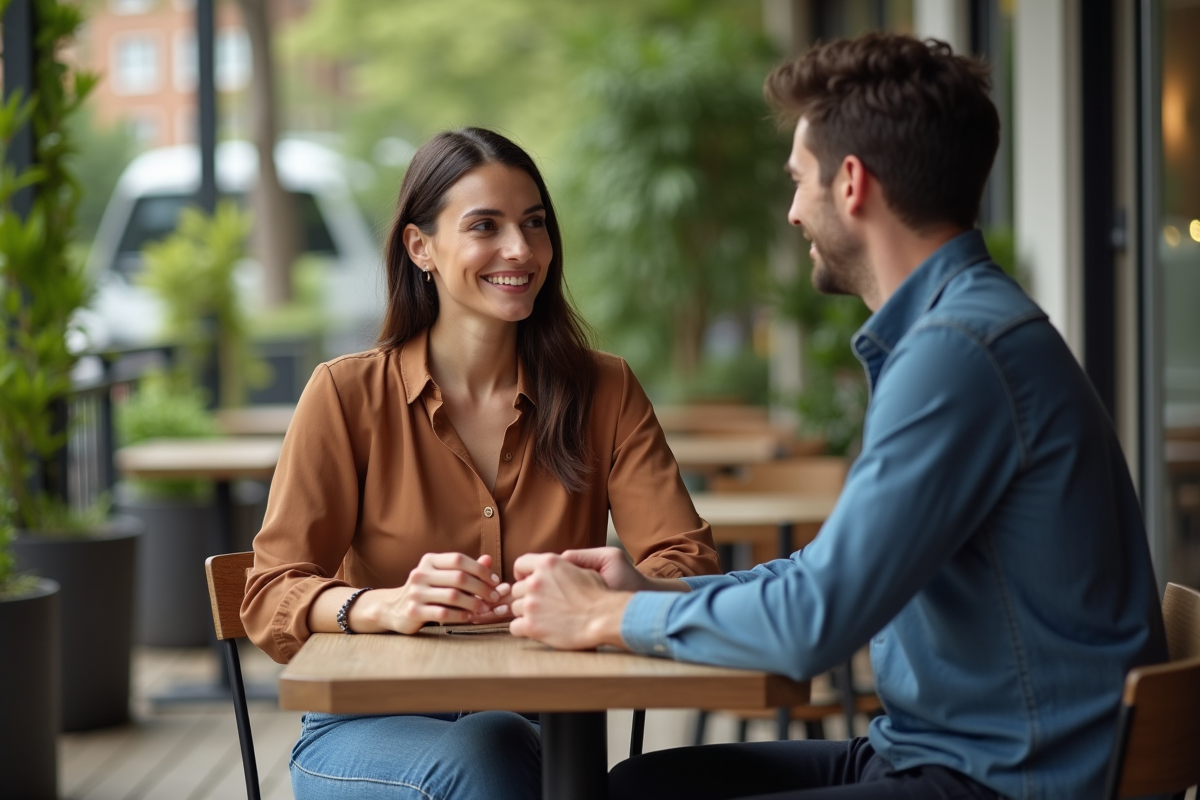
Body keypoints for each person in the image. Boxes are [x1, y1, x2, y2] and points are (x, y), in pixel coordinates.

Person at [508, 33, 1168, 800]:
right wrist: (647, 596)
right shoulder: (956, 334)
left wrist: (604, 620)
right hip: (941, 750)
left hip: (1005, 779)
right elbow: (826, 577)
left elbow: (812, 625)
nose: (792, 212)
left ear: (851, 183)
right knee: (643, 787)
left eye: (799, 181)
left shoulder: (959, 354)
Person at [241, 127, 720, 800]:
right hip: (367, 734)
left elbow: (690, 566)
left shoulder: (605, 391)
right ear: (421, 247)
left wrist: (617, 588)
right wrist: (389, 605)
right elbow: (267, 595)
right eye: (484, 226)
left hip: (546, 732)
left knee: (506, 746)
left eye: (534, 225)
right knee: (492, 755)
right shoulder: (345, 394)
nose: (520, 250)